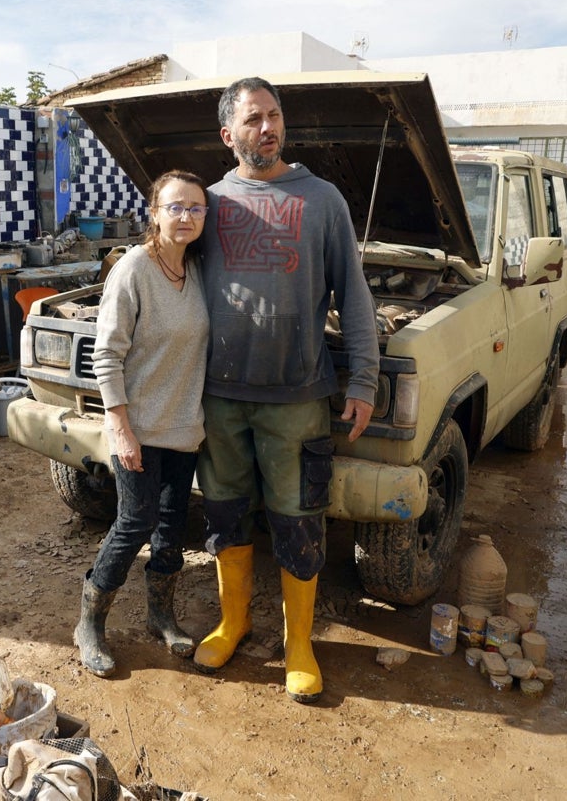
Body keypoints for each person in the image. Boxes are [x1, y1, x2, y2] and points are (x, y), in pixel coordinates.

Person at [192, 77, 380, 703]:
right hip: (219, 397)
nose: (265, 128)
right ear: (229, 135)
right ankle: (234, 620)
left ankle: (300, 642)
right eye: (252, 120)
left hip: (297, 396)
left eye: (273, 116)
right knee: (224, 511)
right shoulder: (208, 204)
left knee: (299, 519)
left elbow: (354, 295)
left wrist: (363, 377)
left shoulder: (322, 199)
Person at [74, 170, 211, 677]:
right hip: (138, 427)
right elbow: (105, 355)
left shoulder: (197, 270)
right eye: (175, 207)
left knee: (173, 527)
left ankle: (161, 614)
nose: (186, 217)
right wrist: (121, 428)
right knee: (134, 522)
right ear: (154, 212)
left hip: (184, 428)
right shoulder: (133, 269)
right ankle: (89, 622)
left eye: (196, 208)